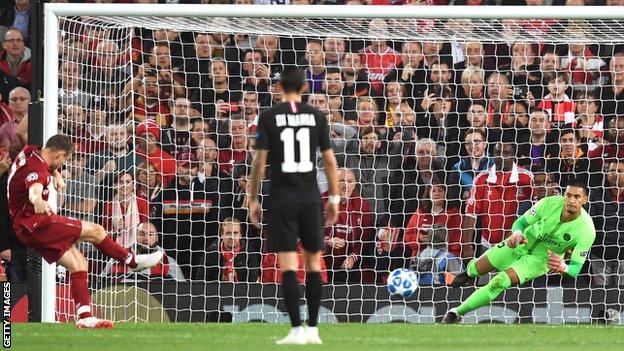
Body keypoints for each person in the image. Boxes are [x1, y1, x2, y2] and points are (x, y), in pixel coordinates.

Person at [7, 135, 163, 328]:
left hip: (26, 227)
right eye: (65, 160)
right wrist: (38, 200)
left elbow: (24, 132)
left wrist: (55, 174)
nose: (64, 164)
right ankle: (132, 261)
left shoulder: (30, 151)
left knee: (79, 263)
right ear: (59, 154)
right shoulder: (37, 170)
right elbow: (34, 189)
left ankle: (85, 316)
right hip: (37, 224)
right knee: (97, 230)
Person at [249, 67, 339, 345]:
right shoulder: (316, 116)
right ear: (304, 87)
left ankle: (296, 329)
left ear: (278, 87)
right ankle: (313, 329)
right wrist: (334, 197)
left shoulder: (268, 116)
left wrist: (253, 198)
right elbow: (329, 160)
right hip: (311, 197)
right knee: (313, 264)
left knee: (287, 264)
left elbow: (259, 163)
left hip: (281, 197)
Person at [443, 178, 596, 323]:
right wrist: (517, 234)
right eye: (568, 195)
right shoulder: (548, 203)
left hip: (539, 260)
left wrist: (563, 267)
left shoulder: (587, 230)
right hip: (519, 244)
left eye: (577, 197)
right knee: (476, 269)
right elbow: (520, 222)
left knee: (499, 281)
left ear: (585, 199)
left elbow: (575, 269)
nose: (571, 200)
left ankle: (456, 312)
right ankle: (469, 272)